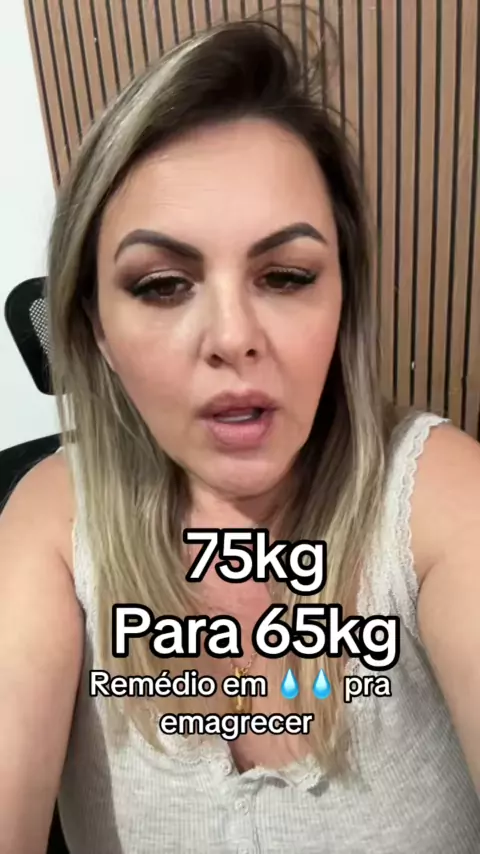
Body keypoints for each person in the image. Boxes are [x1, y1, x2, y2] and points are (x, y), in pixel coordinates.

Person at [1, 17, 479, 854]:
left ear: (343, 304)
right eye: (162, 285)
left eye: (285, 276)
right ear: (97, 331)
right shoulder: (52, 520)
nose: (232, 337)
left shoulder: (442, 498)